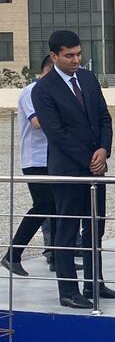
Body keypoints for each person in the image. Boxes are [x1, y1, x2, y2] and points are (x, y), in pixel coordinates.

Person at [31, 30, 115, 308]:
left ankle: (94, 282)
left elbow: (104, 118)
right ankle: (68, 290)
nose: (76, 60)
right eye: (69, 55)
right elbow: (56, 133)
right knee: (67, 230)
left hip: (96, 169)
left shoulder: (87, 79)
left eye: (78, 54)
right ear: (54, 56)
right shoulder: (43, 89)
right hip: (68, 171)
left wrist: (103, 150)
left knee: (95, 227)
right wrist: (88, 159)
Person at [2, 57, 55, 276]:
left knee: (57, 208)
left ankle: (57, 256)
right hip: (35, 159)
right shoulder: (31, 92)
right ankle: (13, 254)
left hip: (53, 159)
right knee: (43, 206)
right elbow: (37, 122)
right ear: (48, 69)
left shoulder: (51, 92)